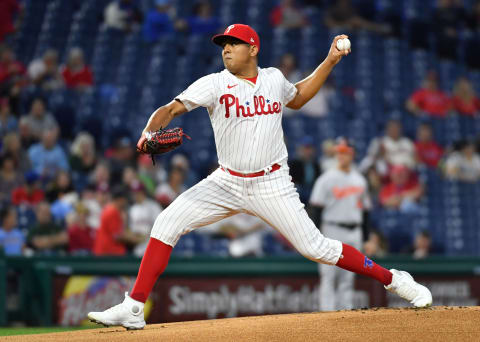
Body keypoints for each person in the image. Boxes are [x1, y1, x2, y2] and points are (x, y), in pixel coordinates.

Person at [88, 24, 431, 330]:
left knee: (317, 248)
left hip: (272, 183)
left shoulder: (273, 79)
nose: (226, 48)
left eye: (234, 43)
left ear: (253, 49)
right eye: (223, 44)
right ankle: (134, 307)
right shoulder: (214, 84)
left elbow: (297, 98)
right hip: (226, 181)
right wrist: (149, 130)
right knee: (165, 223)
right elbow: (171, 109)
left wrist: (330, 61)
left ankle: (395, 280)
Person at [309, 138, 371, 311]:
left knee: (348, 277)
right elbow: (315, 209)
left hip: (355, 231)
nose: (341, 156)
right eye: (339, 152)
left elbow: (366, 212)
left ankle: (346, 313)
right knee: (328, 275)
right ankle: (327, 314)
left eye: (345, 153)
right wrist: (315, 236)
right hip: (331, 229)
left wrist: (366, 237)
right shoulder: (326, 179)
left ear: (352, 155)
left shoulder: (359, 180)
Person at [93, 186, 143, 256]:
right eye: (125, 200)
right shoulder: (112, 212)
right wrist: (135, 239)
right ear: (120, 200)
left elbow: (119, 232)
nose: (126, 202)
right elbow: (117, 237)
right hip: (108, 253)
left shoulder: (113, 210)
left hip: (109, 252)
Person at [129, 181, 162, 256]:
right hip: (138, 248)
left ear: (143, 192)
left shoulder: (153, 206)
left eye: (138, 192)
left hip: (152, 246)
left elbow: (161, 224)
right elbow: (132, 230)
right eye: (134, 193)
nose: (135, 195)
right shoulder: (132, 209)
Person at [289, 136, 321, 203]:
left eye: (310, 148)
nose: (308, 151)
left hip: (311, 188)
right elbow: (291, 179)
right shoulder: (294, 163)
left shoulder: (315, 164)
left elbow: (318, 179)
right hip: (299, 188)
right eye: (306, 148)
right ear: (301, 149)